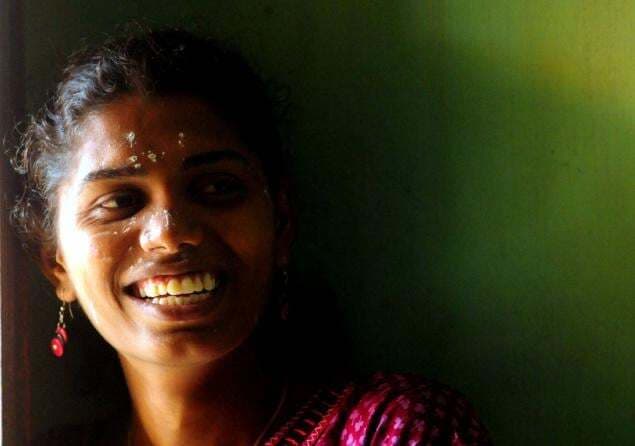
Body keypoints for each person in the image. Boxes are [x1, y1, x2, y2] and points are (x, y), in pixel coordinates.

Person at [9, 28, 491, 445]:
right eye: (120, 202)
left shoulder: (394, 430)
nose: (171, 234)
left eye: (216, 188)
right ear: (57, 262)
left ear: (281, 223)